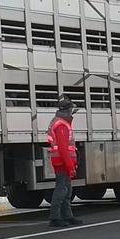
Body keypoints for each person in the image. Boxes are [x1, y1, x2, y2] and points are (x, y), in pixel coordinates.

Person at [47, 95, 83, 228]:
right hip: (62, 162)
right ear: (67, 110)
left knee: (67, 189)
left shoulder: (61, 122)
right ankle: (55, 218)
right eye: (71, 109)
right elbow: (63, 149)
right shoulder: (62, 125)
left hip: (62, 161)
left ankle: (68, 216)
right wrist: (70, 166)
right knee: (62, 189)